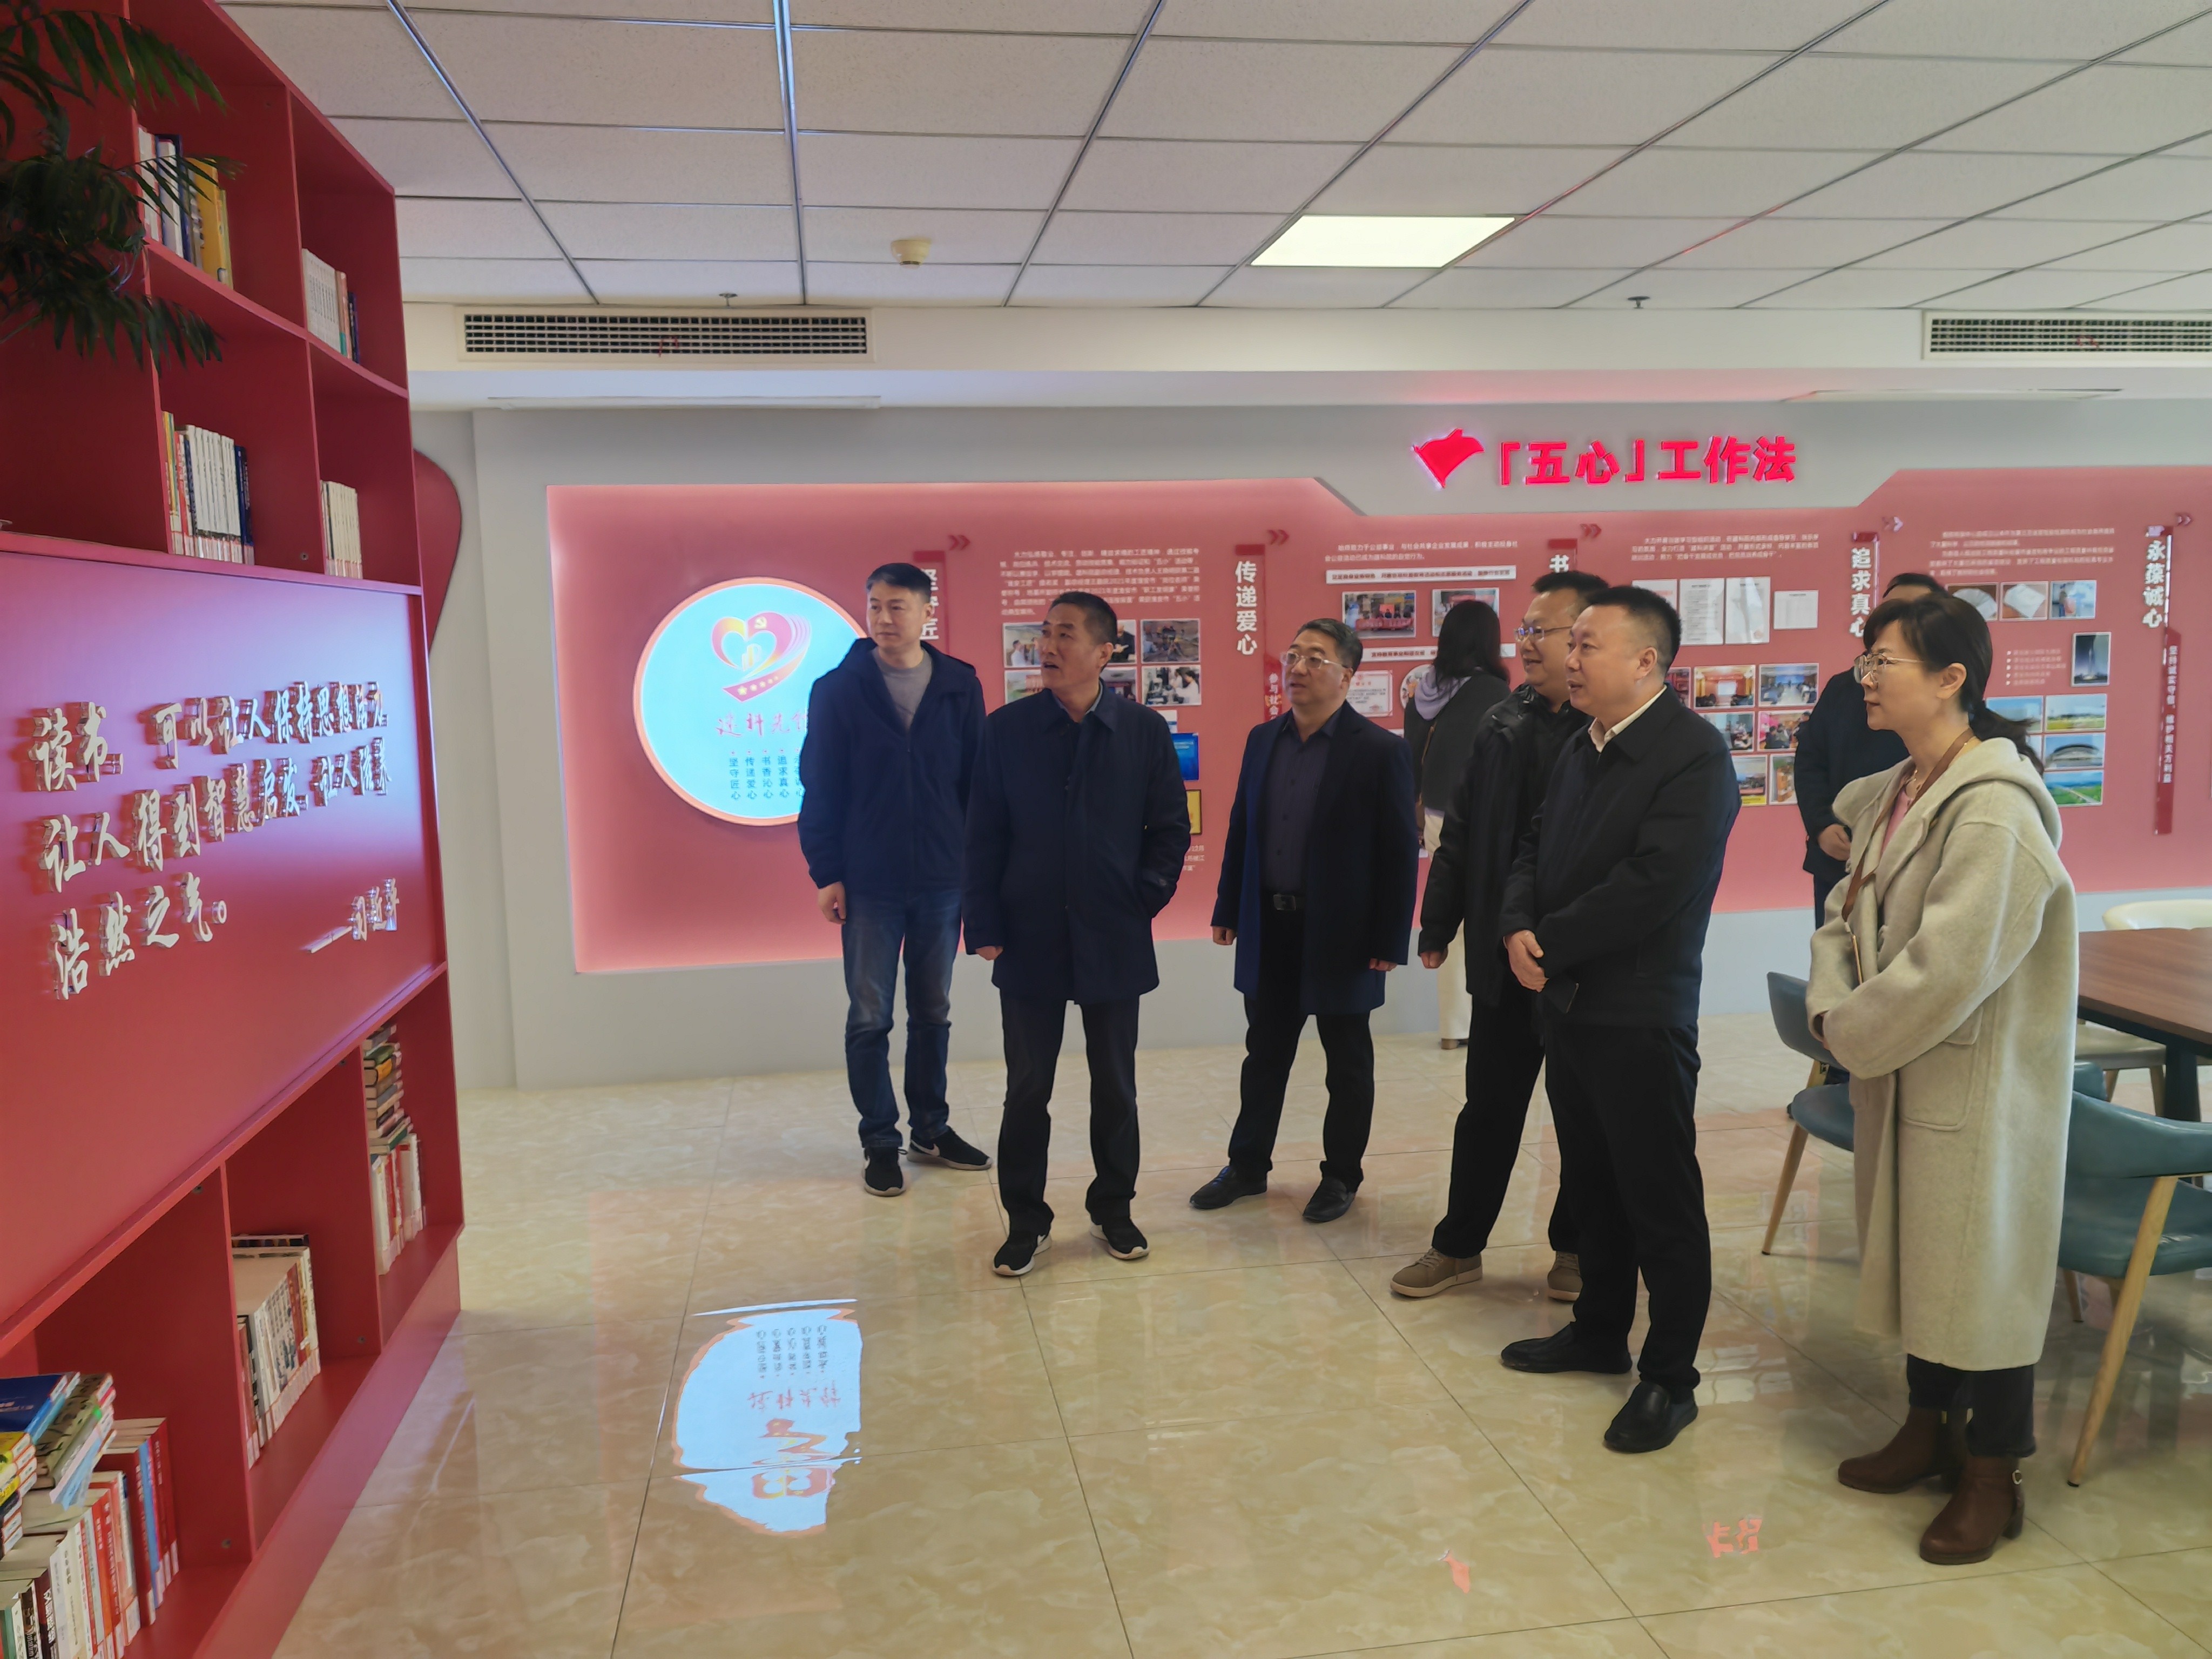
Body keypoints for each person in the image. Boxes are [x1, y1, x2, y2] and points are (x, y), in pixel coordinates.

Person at [1805, 591, 2070, 1567]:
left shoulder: (1995, 809)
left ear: (1953, 678)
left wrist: (1848, 1029)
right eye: (1865, 661)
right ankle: (1927, 1426)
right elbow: (1843, 914)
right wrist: (1835, 1009)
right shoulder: (1899, 787)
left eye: (1886, 663)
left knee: (1979, 1270)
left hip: (1975, 1082)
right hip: (1904, 1062)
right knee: (1925, 1257)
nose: (1867, 680)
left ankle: (1993, 1469)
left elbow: (1949, 968)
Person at [1495, 585, 1739, 1455]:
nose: (1569, 659)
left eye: (1587, 645)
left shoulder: (1693, 757)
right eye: (1572, 645)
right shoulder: (1581, 743)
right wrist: (1517, 924)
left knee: (1658, 1198)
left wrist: (1550, 941)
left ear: (1646, 661)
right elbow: (1533, 846)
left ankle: (1670, 1378)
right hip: (1569, 1002)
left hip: (1640, 1011)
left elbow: (1653, 885)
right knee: (1591, 1181)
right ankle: (1600, 1330)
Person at [1390, 569, 1608, 1304]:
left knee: (1581, 1114)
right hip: (1500, 951)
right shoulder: (1501, 721)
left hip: (1580, 962)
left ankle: (1574, 1247)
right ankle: (1458, 1246)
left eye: (1544, 631)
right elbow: (1460, 833)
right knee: (1487, 1109)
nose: (1529, 644)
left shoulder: (1610, 733)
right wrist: (1439, 919)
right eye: (1525, 631)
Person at [965, 591, 1191, 1277]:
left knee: (1115, 1084)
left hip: (1112, 935)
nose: (1048, 646)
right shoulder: (1005, 730)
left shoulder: (1143, 731)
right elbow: (982, 834)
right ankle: (1026, 1220)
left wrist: (1141, 900)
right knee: (1027, 1087)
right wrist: (985, 922)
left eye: (1065, 634)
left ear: (1103, 652)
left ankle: (1113, 1208)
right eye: (1045, 633)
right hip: (1028, 935)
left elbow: (1170, 830)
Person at [1189, 619, 1419, 1224]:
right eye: (1294, 655)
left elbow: (1399, 853)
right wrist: (1227, 908)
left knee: (1347, 1063)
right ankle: (1247, 1167)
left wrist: (1389, 938)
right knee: (1264, 1054)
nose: (1298, 668)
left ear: (1347, 676)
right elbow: (1242, 827)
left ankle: (1340, 1175)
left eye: (1316, 658)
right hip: (1270, 925)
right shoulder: (1263, 739)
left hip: (1344, 935)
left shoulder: (1380, 751)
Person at [798, 563, 991, 1197]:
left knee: (932, 1010)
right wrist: (828, 872)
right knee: (869, 1016)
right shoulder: (838, 689)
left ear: (926, 613)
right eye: (875, 606)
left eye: (897, 606)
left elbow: (978, 785)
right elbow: (820, 786)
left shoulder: (960, 684)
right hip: (869, 879)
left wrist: (979, 869)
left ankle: (930, 1128)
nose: (884, 618)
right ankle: (879, 1139)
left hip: (942, 876)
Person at [1796, 572, 1944, 926]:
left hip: (1912, 871)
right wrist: (1822, 824)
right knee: (1836, 952)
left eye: (1914, 612)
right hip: (1841, 862)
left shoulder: (1945, 702)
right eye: (1892, 610)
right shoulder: (1842, 688)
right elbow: (1810, 761)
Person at [1402, 599, 1510, 1050]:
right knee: (1485, 913)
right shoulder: (1494, 692)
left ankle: (1452, 1028)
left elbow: (1411, 757)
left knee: (1447, 911)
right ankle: (1490, 1015)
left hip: (1434, 813)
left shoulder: (1424, 689)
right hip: (1483, 815)